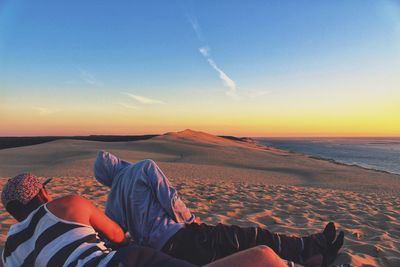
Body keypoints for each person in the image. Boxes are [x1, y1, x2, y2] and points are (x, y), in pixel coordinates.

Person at [94, 151, 345, 267]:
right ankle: (311, 248)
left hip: (161, 251)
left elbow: (116, 234)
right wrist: (191, 219)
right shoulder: (143, 167)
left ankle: (311, 250)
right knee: (249, 238)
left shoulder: (112, 198)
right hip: (182, 235)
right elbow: (169, 198)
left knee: (234, 251)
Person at [0, 173, 301, 267]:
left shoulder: (8, 250)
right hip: (126, 262)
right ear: (42, 192)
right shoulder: (66, 205)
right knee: (264, 257)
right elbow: (117, 236)